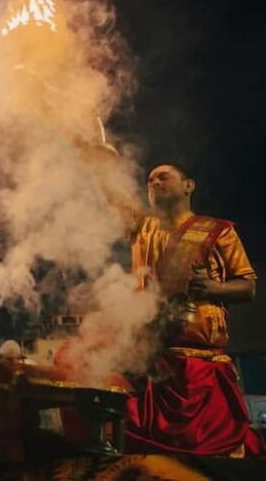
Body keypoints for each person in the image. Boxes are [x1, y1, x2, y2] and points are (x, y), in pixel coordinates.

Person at [119, 162, 260, 456]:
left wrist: (212, 288)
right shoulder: (141, 228)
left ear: (188, 185)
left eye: (163, 177)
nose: (154, 183)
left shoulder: (218, 230)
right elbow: (108, 188)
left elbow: (248, 287)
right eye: (149, 180)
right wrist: (91, 147)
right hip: (152, 366)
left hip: (201, 370)